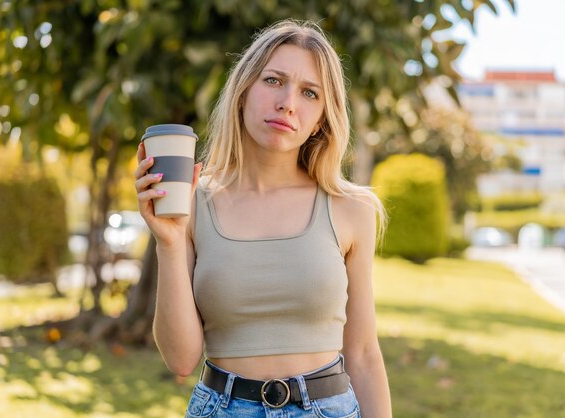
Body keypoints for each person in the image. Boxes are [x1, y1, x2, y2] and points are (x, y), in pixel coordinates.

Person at [135, 19, 392, 418]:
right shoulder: (191, 203)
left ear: (322, 118)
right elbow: (181, 360)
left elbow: (362, 354)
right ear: (243, 92)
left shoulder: (351, 209)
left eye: (310, 93)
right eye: (273, 81)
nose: (288, 102)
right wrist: (168, 242)